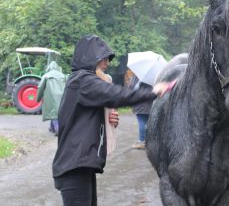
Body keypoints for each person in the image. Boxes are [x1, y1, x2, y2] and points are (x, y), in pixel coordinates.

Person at [52, 35, 171, 206]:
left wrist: (107, 119)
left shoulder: (82, 83)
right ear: (90, 57)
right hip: (74, 167)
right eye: (103, 58)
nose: (107, 62)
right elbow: (117, 94)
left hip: (80, 166)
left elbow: (88, 112)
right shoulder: (82, 80)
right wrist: (153, 91)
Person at [36, 61, 66, 136]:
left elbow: (40, 88)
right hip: (62, 96)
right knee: (58, 112)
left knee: (53, 112)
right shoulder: (62, 75)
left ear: (49, 68)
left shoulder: (46, 76)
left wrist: (38, 99)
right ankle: (52, 128)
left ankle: (57, 130)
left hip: (51, 97)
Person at [129, 72, 154, 149]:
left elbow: (131, 87)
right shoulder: (151, 76)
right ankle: (148, 141)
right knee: (147, 122)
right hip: (150, 102)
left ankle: (142, 141)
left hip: (141, 103)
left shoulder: (138, 76)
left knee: (142, 121)